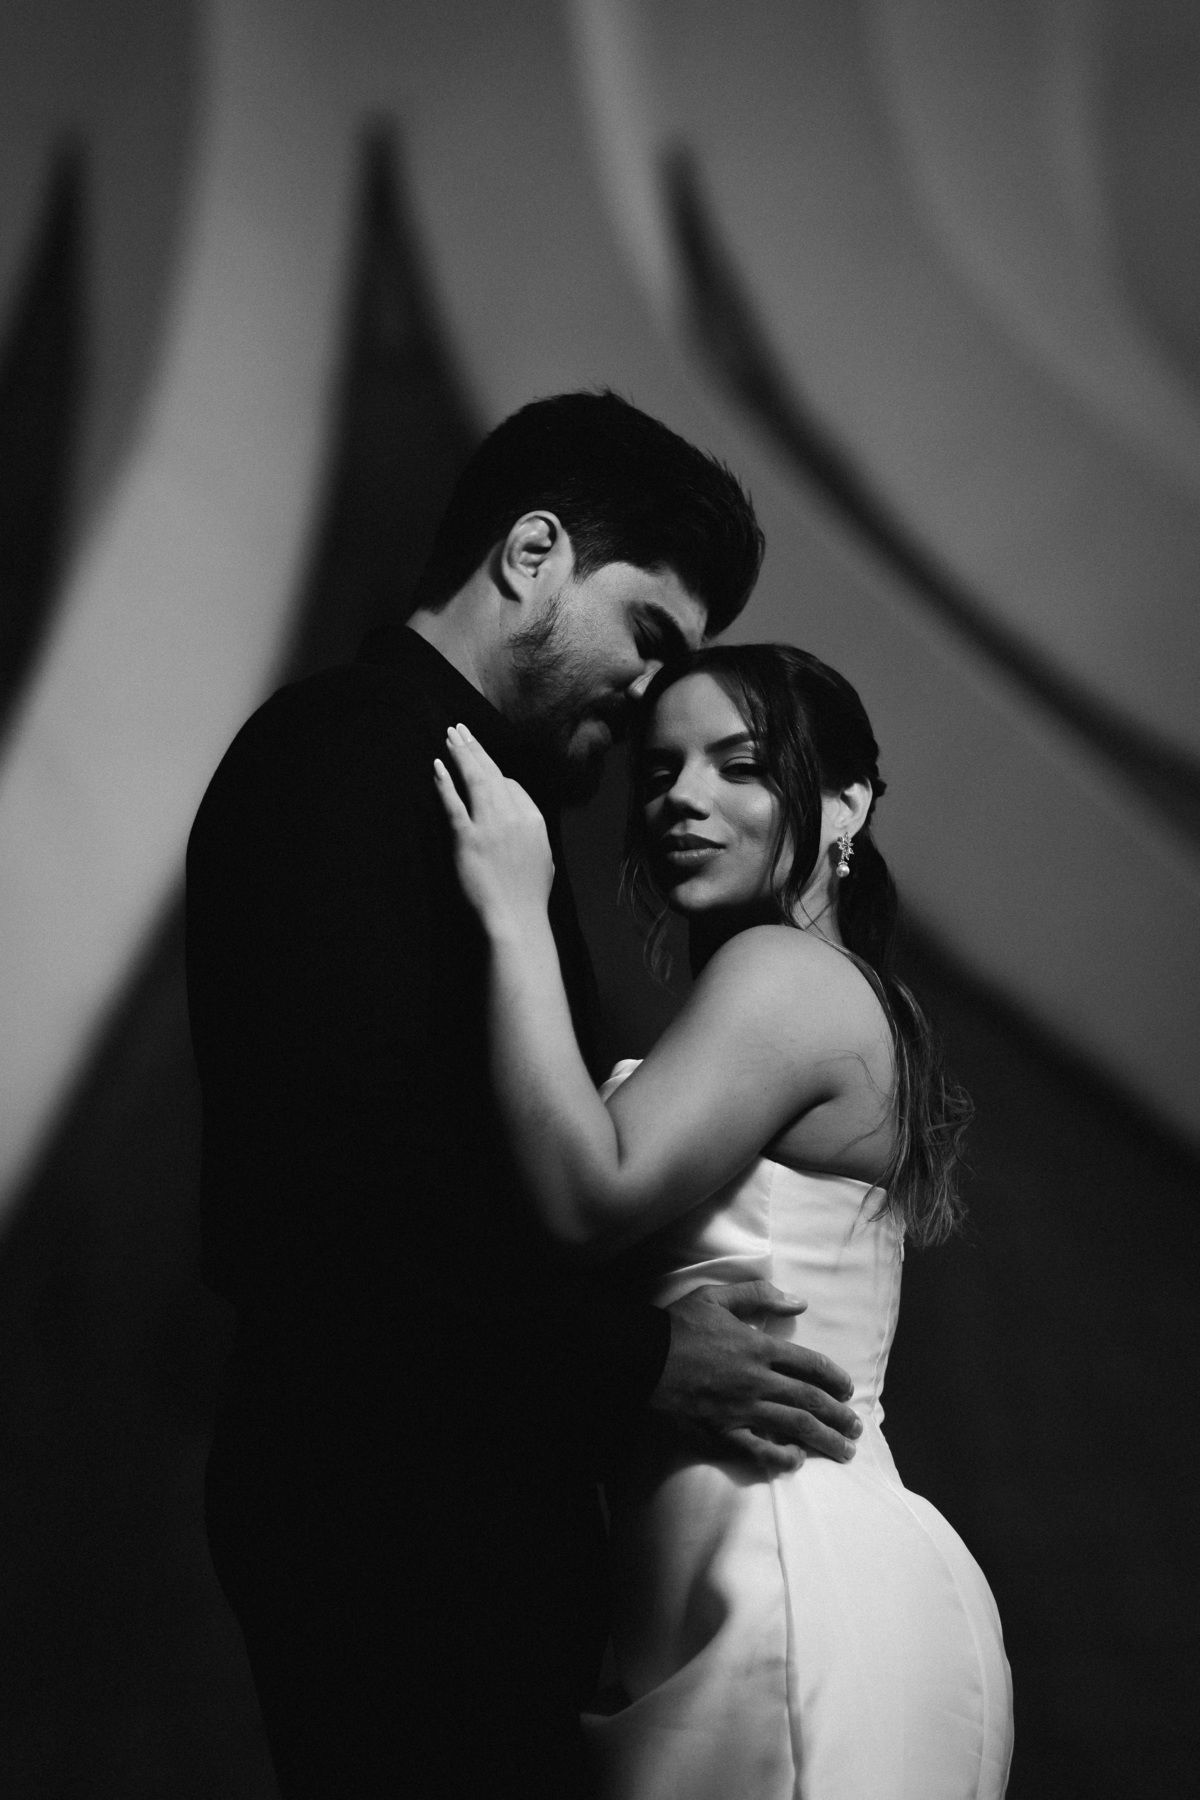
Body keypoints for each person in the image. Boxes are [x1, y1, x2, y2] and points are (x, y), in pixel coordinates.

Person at [185, 394, 862, 1799]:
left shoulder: (455, 784)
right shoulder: (352, 760)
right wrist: (642, 1362)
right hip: (386, 1520)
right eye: (648, 634)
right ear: (532, 553)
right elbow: (326, 1197)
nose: (653, 692)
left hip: (448, 1517)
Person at [435, 642, 1015, 1799]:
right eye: (659, 771)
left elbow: (586, 1195)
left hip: (789, 1590)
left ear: (847, 804)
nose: (680, 798)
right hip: (756, 1581)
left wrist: (510, 907)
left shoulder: (785, 975)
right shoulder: (812, 990)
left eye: (739, 766)